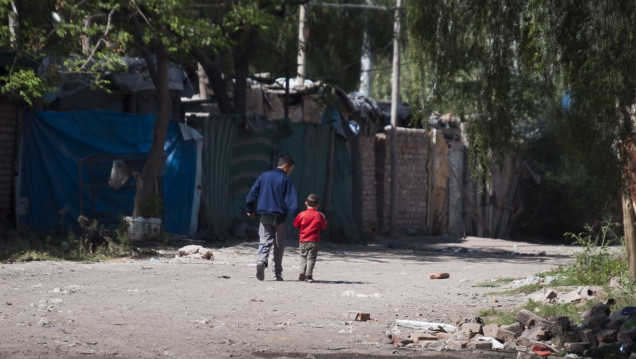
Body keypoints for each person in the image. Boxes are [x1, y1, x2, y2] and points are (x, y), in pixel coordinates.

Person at [246, 155, 298, 281]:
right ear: (286, 166)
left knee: (264, 241)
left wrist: (250, 208)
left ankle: (261, 261)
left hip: (264, 216)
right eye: (291, 169)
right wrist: (298, 215)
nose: (290, 172)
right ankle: (277, 273)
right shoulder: (285, 180)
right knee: (279, 244)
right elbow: (291, 201)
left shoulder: (264, 176)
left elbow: (252, 193)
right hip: (279, 217)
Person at [293, 193, 327, 283]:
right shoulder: (319, 215)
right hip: (314, 240)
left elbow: (296, 224)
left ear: (306, 203)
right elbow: (324, 226)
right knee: (311, 258)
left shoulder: (302, 214)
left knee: (303, 257)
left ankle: (302, 271)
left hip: (303, 240)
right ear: (318, 205)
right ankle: (308, 275)